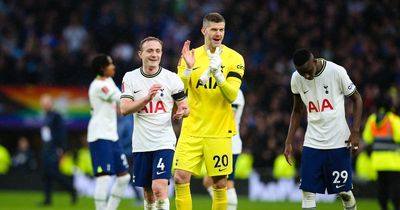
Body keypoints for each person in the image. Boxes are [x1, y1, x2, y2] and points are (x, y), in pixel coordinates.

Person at [174, 12, 245, 210]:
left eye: (221, 29)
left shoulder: (235, 58)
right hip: (192, 129)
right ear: (204, 30)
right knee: (180, 177)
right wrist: (187, 69)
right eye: (214, 29)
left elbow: (232, 95)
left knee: (220, 183)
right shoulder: (190, 55)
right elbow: (178, 90)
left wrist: (218, 75)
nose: (218, 33)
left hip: (219, 132)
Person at [283, 48, 363, 210]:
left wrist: (355, 131)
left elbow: (357, 99)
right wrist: (288, 141)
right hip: (313, 142)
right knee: (308, 193)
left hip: (339, 141)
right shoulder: (296, 78)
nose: (305, 76)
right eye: (301, 72)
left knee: (344, 193)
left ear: (314, 61)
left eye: (307, 71)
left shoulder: (336, 71)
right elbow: (297, 110)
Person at [120, 36, 189, 210]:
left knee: (159, 188)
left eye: (158, 51)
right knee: (148, 194)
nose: (154, 54)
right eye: (150, 50)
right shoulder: (130, 78)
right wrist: (147, 98)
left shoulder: (171, 78)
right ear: (140, 54)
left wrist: (182, 112)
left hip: (163, 141)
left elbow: (185, 106)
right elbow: (124, 109)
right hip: (141, 144)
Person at [87, 54, 130, 210]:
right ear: (101, 68)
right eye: (110, 64)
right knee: (104, 177)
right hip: (99, 135)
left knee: (124, 177)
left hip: (112, 136)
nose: (114, 66)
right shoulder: (98, 86)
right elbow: (120, 98)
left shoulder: (109, 81)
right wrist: (144, 96)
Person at [203, 89, 245, 210]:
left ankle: (229, 206)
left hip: (230, 143)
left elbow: (229, 117)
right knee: (208, 181)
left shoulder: (235, 92)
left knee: (227, 182)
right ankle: (224, 206)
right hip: (217, 142)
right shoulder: (219, 90)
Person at [362, 97, 400, 210]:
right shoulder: (393, 119)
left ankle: (383, 207)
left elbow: (367, 138)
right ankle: (397, 206)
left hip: (378, 161)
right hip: (393, 161)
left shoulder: (372, 119)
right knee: (395, 187)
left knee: (382, 188)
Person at [39, 94, 77, 206]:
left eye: (46, 103)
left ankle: (71, 190)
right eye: (43, 103)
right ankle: (47, 200)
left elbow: (61, 133)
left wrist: (61, 148)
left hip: (54, 148)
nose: (44, 105)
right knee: (45, 174)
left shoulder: (56, 116)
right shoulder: (46, 116)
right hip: (46, 148)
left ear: (51, 103)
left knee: (54, 173)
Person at [117, 109, 144, 206]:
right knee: (128, 176)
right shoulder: (125, 120)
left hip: (128, 153)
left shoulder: (127, 121)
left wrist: (118, 145)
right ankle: (139, 196)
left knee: (128, 176)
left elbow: (129, 138)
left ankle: (139, 196)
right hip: (128, 152)